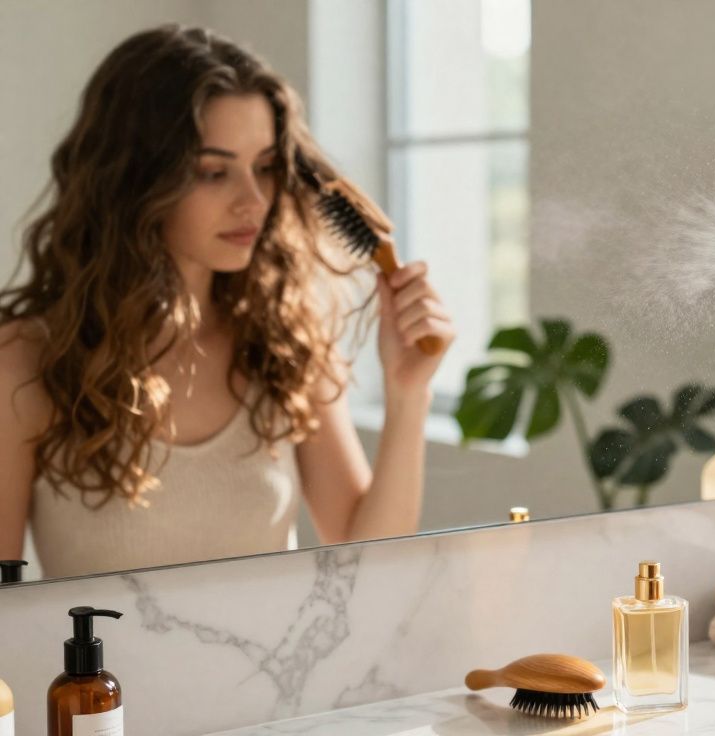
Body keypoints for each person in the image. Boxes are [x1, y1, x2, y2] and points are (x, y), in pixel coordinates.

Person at [0, 25, 455, 578]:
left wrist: (410, 393)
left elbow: (369, 566)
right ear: (134, 182)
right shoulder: (26, 364)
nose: (254, 200)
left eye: (264, 167)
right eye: (213, 172)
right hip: (103, 671)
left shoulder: (283, 343)